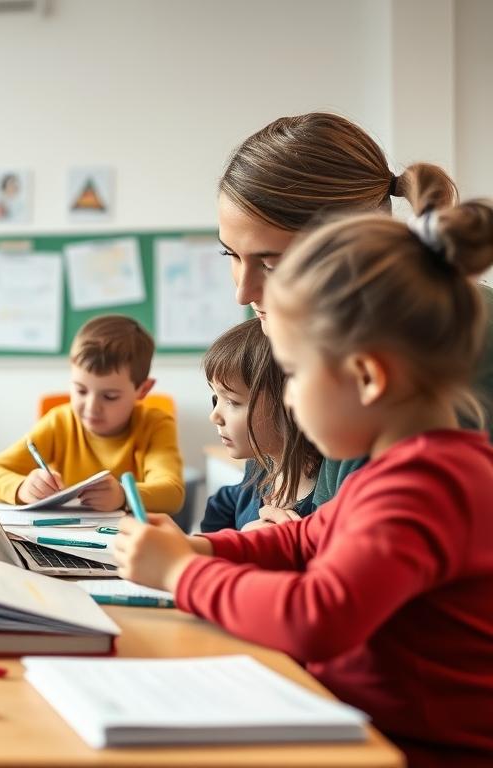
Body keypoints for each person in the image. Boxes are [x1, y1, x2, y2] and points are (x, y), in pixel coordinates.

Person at [116, 185, 493, 767]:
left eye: (293, 374)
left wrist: (181, 573)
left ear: (367, 377)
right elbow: (302, 539)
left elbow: (318, 616)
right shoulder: (405, 470)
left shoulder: (424, 487)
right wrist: (203, 547)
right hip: (366, 732)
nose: (289, 398)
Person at [216, 111, 493, 504]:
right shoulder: (355, 332)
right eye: (230, 254)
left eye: (273, 265)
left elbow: (387, 534)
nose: (243, 294)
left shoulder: (438, 342)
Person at [0, 315, 184, 514]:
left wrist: (123, 495)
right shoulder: (59, 422)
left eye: (110, 396)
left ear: (143, 390)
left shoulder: (155, 425)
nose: (92, 407)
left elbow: (173, 494)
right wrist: (21, 487)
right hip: (60, 535)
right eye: (81, 391)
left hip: (124, 536)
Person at [200, 318, 321, 532]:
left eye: (232, 402)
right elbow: (224, 503)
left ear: (288, 401)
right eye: (216, 398)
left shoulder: (328, 493)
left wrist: (247, 543)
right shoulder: (261, 465)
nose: (214, 416)